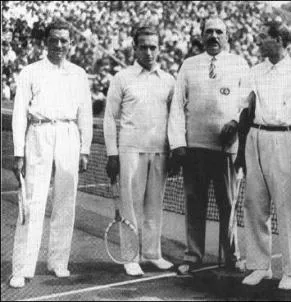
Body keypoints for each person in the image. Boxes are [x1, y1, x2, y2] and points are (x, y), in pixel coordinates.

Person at [10, 20, 93, 288]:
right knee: (33, 202)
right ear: (46, 41)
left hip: (69, 135)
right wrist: (18, 152)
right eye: (54, 40)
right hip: (39, 134)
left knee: (65, 204)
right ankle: (22, 267)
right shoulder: (30, 71)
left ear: (70, 43)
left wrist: (85, 149)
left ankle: (58, 262)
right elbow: (20, 113)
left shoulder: (79, 74)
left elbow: (86, 114)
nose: (59, 45)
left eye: (64, 40)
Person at [235, 21, 291, 289]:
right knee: (254, 204)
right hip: (255, 139)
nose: (259, 42)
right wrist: (241, 151)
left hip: (287, 139)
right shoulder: (254, 70)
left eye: (263, 38)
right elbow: (246, 111)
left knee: (288, 206)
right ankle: (260, 266)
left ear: (280, 41)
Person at [168, 17, 249, 274]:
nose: (213, 36)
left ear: (227, 37)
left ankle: (231, 256)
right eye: (209, 32)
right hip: (195, 148)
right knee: (194, 203)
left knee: (228, 203)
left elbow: (248, 101)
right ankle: (193, 255)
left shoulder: (239, 64)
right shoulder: (189, 65)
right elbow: (177, 106)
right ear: (201, 36)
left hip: (226, 149)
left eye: (219, 32)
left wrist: (236, 122)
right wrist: (178, 144)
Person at [104, 26, 175, 277]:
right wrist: (112, 154)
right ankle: (130, 256)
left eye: (153, 47)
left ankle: (152, 254)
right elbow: (110, 118)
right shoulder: (122, 78)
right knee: (130, 206)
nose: (148, 51)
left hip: (160, 151)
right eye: (143, 46)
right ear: (134, 48)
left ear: (160, 49)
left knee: (155, 206)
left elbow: (175, 119)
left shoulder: (169, 81)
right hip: (130, 151)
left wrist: (175, 150)